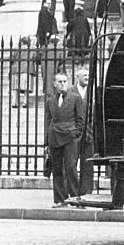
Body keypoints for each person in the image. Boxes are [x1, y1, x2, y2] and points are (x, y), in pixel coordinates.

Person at [45, 70, 84, 207]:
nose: (62, 84)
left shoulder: (75, 98)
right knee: (57, 169)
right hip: (54, 136)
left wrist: (76, 134)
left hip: (70, 136)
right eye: (60, 82)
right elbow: (48, 121)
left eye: (65, 81)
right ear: (55, 84)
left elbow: (80, 119)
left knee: (71, 167)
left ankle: (74, 197)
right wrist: (46, 142)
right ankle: (59, 199)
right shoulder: (50, 100)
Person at [68, 68, 95, 197]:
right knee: (71, 162)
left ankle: (87, 190)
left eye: (88, 75)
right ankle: (73, 190)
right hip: (75, 131)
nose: (87, 77)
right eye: (84, 75)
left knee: (88, 162)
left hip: (89, 132)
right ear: (77, 76)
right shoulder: (71, 91)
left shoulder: (93, 91)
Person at [9, 36, 39, 108]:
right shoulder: (32, 49)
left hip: (16, 69)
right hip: (27, 68)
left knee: (15, 87)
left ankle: (14, 102)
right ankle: (25, 102)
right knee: (26, 87)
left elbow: (12, 58)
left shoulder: (16, 49)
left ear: (21, 42)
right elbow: (35, 58)